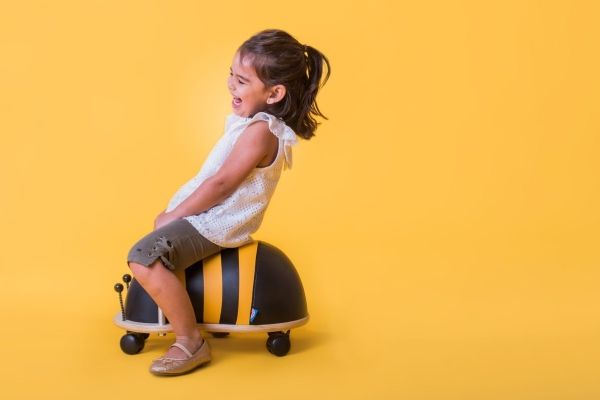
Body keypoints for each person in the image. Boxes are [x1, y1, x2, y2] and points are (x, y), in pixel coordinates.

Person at [126, 28, 331, 376]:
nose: (231, 86)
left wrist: (176, 215)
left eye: (242, 81)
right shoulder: (251, 124)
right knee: (155, 249)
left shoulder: (262, 131)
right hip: (210, 220)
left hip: (216, 224)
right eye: (231, 75)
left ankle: (190, 341)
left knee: (143, 258)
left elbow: (222, 185)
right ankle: (198, 318)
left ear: (274, 93)